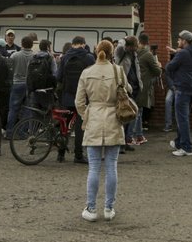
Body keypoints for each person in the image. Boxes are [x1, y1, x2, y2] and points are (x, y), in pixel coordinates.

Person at [76, 39, 129, 222]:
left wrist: (87, 114)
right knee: (111, 166)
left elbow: (79, 102)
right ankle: (109, 207)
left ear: (97, 51)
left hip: (94, 120)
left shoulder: (87, 72)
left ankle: (91, 208)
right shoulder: (118, 71)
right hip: (114, 118)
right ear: (111, 53)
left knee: (94, 167)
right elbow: (127, 91)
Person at [56, 36, 96, 163]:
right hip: (83, 97)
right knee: (79, 126)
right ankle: (78, 155)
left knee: (65, 125)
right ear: (83, 44)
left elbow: (59, 76)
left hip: (67, 96)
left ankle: (60, 154)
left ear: (73, 44)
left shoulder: (65, 57)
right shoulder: (89, 57)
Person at [165, 30, 192, 157]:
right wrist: (178, 52)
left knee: (182, 119)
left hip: (182, 88)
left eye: (179, 39)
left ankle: (186, 147)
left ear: (184, 41)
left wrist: (175, 55)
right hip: (191, 87)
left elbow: (169, 68)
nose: (177, 41)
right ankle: (179, 142)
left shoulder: (183, 53)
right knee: (183, 117)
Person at [116, 36, 144, 148]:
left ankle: (126, 140)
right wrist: (125, 39)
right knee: (123, 114)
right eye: (135, 45)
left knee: (130, 115)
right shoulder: (121, 52)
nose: (137, 47)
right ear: (130, 46)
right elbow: (120, 45)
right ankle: (121, 143)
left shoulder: (134, 55)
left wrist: (140, 84)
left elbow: (137, 70)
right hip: (124, 87)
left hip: (135, 87)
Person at [6, 35, 35, 136]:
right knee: (27, 109)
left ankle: (9, 132)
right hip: (29, 85)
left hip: (17, 83)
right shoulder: (34, 56)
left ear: (22, 44)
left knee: (13, 109)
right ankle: (23, 132)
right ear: (32, 45)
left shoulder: (15, 55)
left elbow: (9, 70)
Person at [135, 34, 161, 140]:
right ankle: (137, 135)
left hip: (133, 84)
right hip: (144, 84)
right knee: (139, 111)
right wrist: (158, 66)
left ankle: (136, 134)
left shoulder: (133, 52)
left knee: (135, 110)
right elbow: (157, 71)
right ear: (147, 42)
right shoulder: (148, 54)